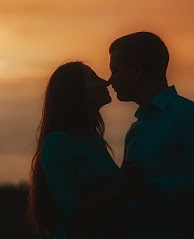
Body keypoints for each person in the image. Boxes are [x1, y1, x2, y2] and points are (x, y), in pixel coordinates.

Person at [108, 31, 194, 238]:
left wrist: (149, 188)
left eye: (115, 70)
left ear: (137, 71)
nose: (110, 80)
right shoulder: (137, 128)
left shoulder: (190, 117)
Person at [28, 61, 134, 239]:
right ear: (75, 92)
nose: (105, 82)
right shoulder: (58, 142)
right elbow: (70, 211)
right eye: (93, 78)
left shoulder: (93, 140)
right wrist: (125, 188)